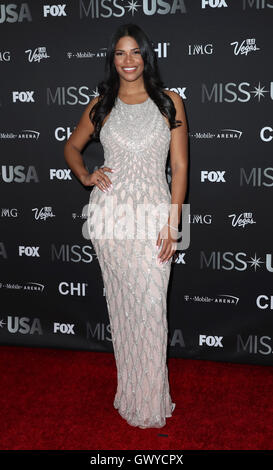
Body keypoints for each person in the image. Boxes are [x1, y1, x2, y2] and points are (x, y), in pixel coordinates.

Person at [64, 23, 188, 429]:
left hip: (154, 216)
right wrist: (86, 176)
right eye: (120, 53)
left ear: (146, 56)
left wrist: (173, 222)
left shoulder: (170, 102)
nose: (128, 60)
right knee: (122, 308)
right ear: (112, 59)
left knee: (152, 308)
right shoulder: (101, 104)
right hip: (111, 217)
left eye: (135, 52)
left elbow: (181, 166)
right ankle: (130, 391)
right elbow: (72, 146)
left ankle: (150, 399)